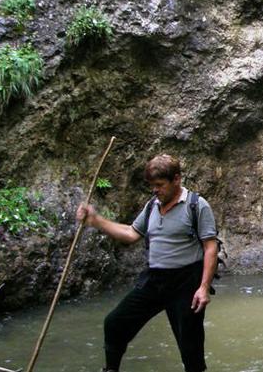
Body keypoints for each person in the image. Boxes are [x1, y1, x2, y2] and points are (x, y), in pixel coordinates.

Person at [77, 154, 218, 372]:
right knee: (115, 323)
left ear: (177, 179)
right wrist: (96, 221)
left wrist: (204, 288)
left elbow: (210, 248)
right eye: (152, 185)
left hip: (185, 284)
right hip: (154, 280)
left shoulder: (196, 205)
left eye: (160, 185)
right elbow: (131, 233)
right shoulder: (152, 205)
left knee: (191, 349)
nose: (155, 190)